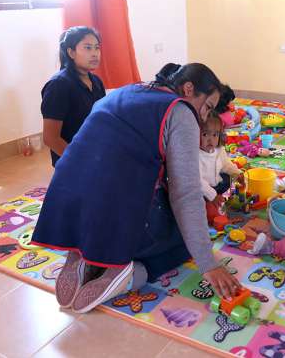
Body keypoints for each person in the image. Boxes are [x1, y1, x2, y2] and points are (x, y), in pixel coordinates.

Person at [31, 63, 241, 313]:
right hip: (114, 215)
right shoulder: (182, 112)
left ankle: (81, 255)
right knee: (183, 239)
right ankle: (125, 274)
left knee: (113, 187)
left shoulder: (126, 91)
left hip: (68, 207)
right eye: (206, 107)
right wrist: (208, 263)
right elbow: (184, 193)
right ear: (188, 89)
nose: (204, 118)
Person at [41, 26, 106, 167]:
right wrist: (79, 160)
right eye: (88, 48)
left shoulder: (96, 81)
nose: (95, 53)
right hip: (73, 160)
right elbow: (50, 138)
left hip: (96, 153)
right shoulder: (58, 85)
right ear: (71, 52)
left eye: (97, 48)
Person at [199, 111, 243, 222]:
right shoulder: (196, 154)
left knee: (229, 178)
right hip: (201, 191)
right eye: (205, 134)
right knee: (210, 215)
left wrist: (237, 173)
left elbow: (226, 164)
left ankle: (220, 200)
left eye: (215, 135)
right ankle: (211, 204)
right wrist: (212, 196)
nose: (210, 139)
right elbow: (197, 180)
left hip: (217, 185)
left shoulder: (219, 150)